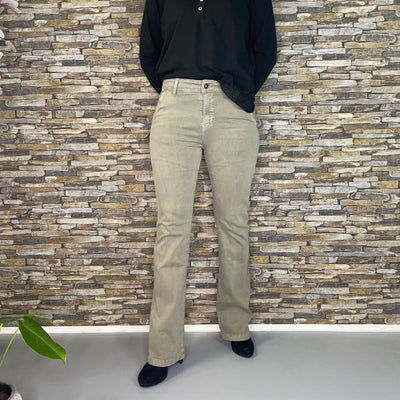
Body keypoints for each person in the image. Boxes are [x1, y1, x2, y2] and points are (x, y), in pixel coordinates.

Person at [138, 0, 277, 387]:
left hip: (232, 107)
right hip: (175, 105)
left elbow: (265, 48)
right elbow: (149, 49)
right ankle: (163, 349)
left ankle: (236, 326)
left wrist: (238, 91)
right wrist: (178, 92)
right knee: (171, 228)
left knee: (233, 223)